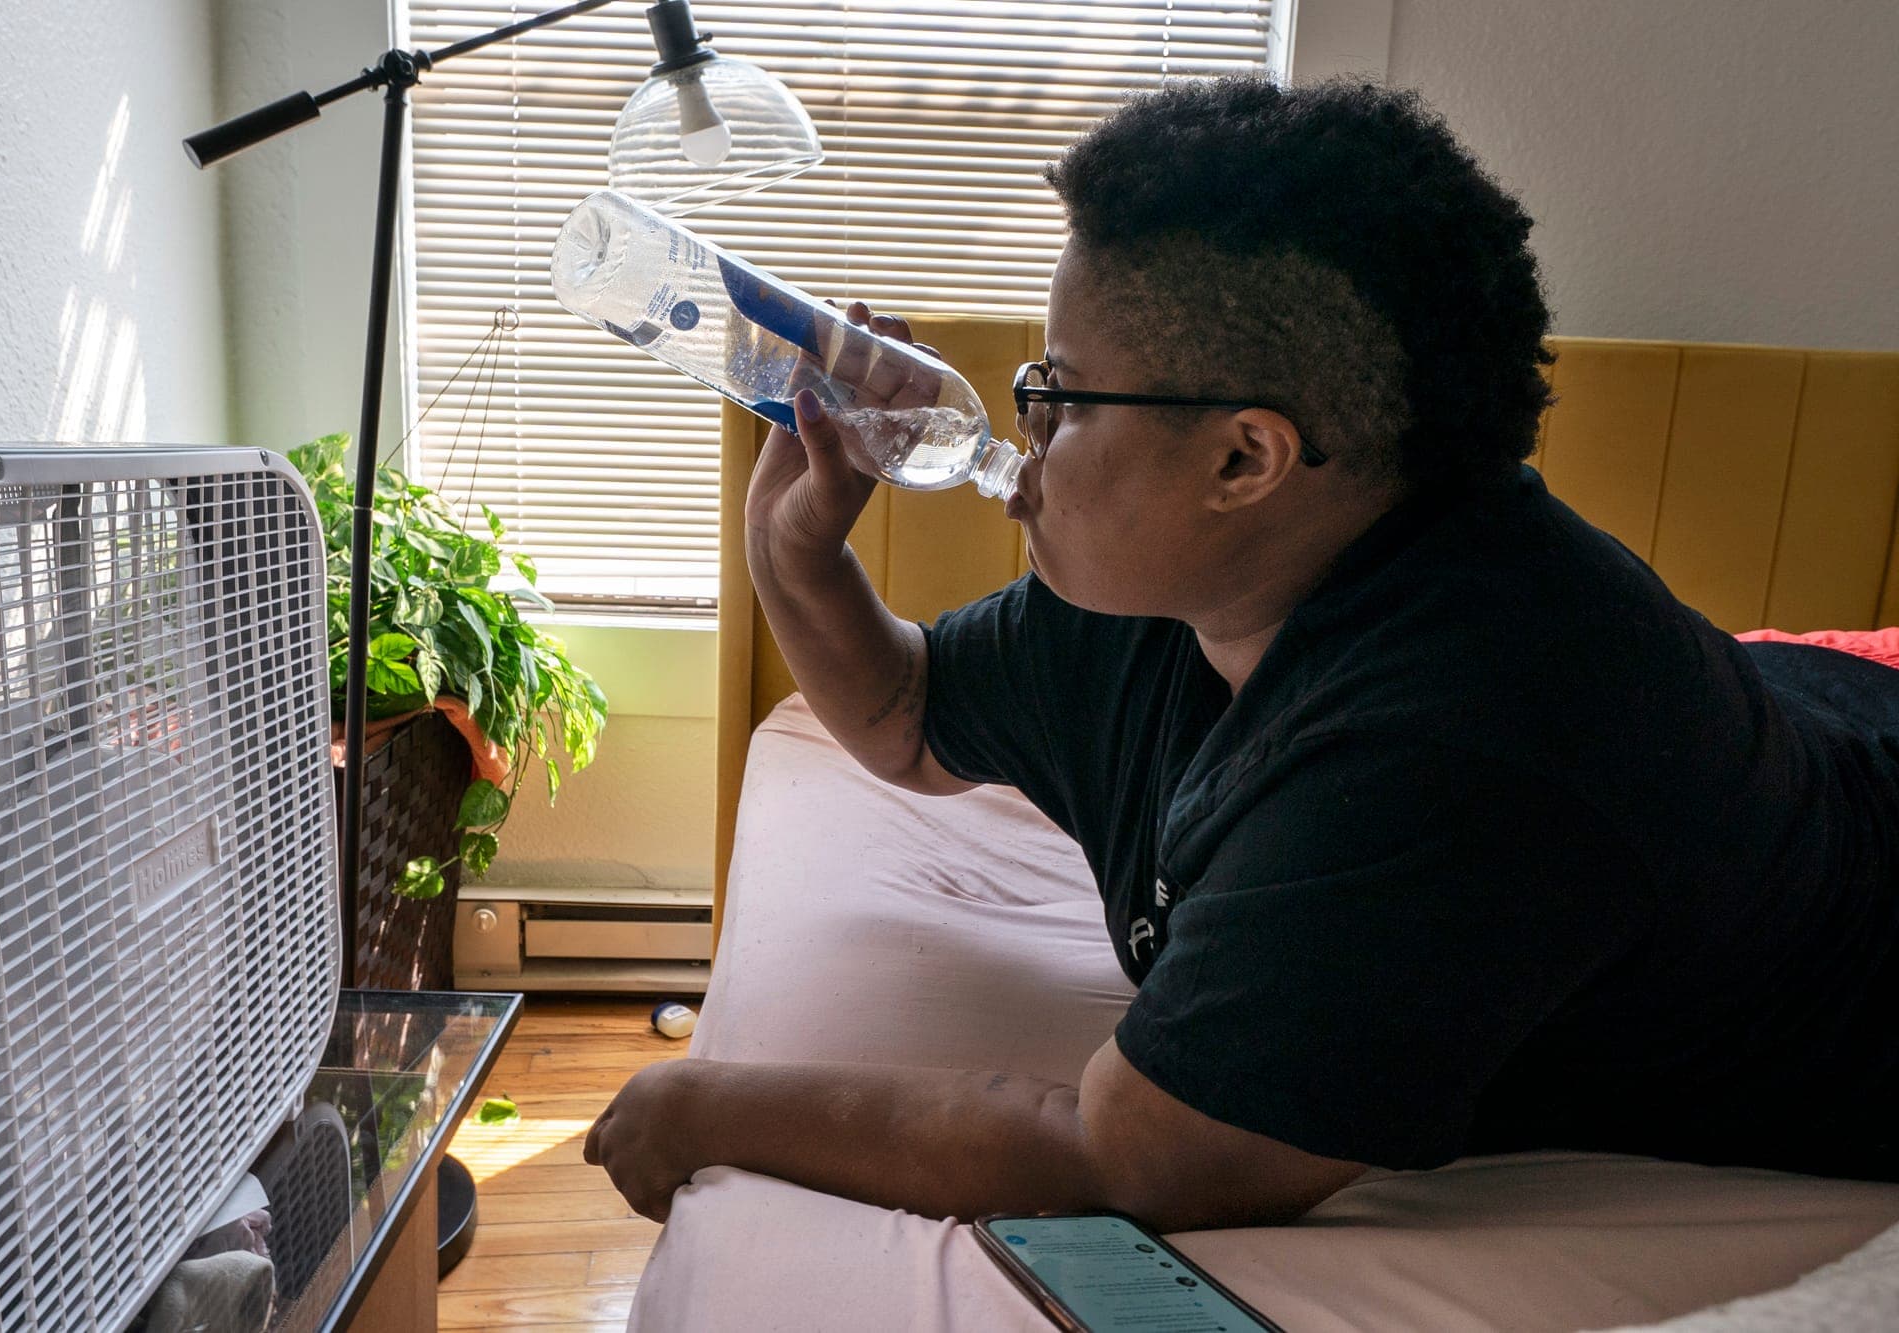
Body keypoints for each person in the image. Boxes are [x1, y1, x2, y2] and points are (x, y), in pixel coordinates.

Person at [584, 76, 1899, 1231]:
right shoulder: (1185, 581)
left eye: (1061, 392)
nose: (1024, 427)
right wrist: (795, 556)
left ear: (1243, 458)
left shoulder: (1447, 747)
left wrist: (704, 1105)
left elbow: (1131, 1152)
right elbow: (910, 714)